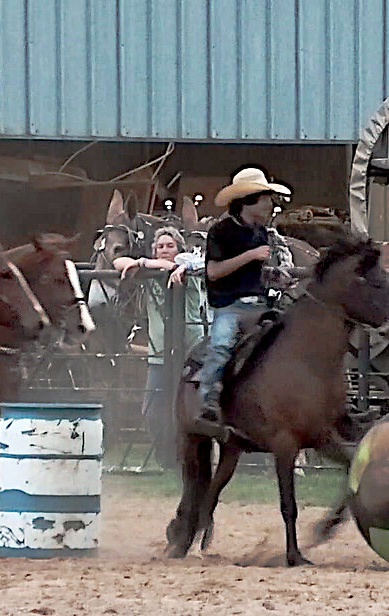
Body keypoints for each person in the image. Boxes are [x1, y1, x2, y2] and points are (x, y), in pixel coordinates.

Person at [196, 167, 289, 425]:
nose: (270, 205)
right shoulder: (221, 232)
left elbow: (253, 271)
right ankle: (209, 400)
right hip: (229, 306)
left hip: (259, 303)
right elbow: (213, 272)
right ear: (249, 201)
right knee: (222, 344)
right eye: (266, 198)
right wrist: (251, 255)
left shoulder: (260, 232)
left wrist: (274, 277)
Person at [112, 227, 206, 468]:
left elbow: (179, 266)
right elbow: (118, 262)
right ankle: (166, 460)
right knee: (152, 410)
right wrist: (144, 263)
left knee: (193, 409)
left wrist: (148, 263)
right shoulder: (149, 271)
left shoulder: (189, 266)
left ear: (179, 248)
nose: (165, 250)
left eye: (170, 245)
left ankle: (193, 459)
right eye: (160, 247)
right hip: (159, 353)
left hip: (190, 351)